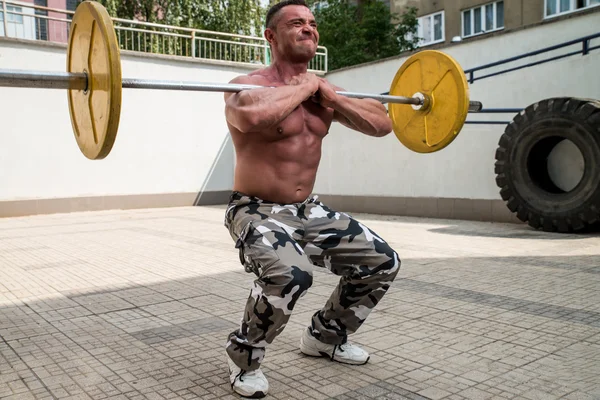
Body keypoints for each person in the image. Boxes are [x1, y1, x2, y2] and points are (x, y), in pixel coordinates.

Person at [222, 0, 401, 397]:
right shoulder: (246, 85)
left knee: (382, 262)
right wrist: (304, 86)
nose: (309, 29)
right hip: (256, 210)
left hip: (309, 210)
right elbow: (250, 118)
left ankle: (325, 336)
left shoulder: (325, 94)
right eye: (296, 23)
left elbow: (382, 124)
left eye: (312, 23)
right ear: (271, 36)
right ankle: (244, 358)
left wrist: (330, 97)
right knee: (291, 275)